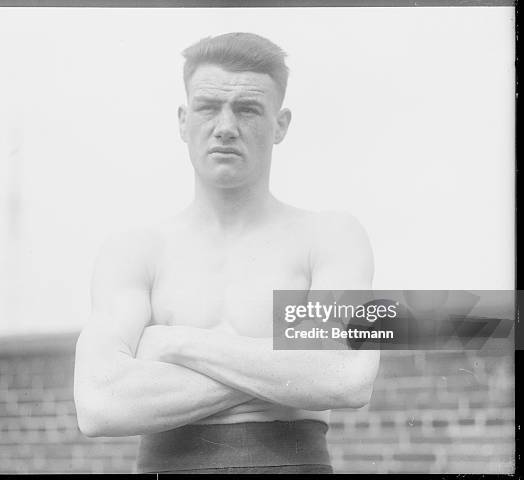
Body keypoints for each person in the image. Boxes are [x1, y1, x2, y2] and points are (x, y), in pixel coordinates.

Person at [73, 32, 379, 474]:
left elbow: (348, 379)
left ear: (281, 124)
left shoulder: (330, 235)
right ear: (182, 119)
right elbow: (99, 405)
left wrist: (174, 342)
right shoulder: (136, 250)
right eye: (207, 107)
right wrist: (288, 371)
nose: (225, 127)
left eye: (248, 109)